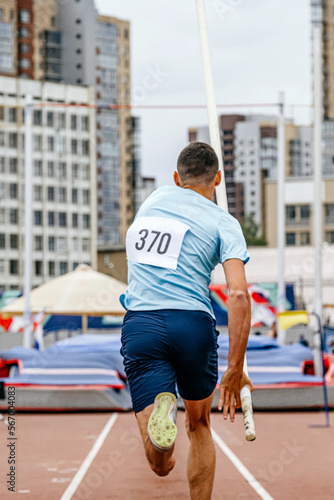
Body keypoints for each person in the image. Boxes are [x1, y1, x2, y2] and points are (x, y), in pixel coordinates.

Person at [120, 142, 253, 500]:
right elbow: (239, 295)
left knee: (160, 464)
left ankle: (161, 429)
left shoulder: (152, 202)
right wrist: (235, 367)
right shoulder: (224, 222)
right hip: (192, 324)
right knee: (199, 425)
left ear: (177, 178)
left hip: (142, 325)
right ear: (219, 179)